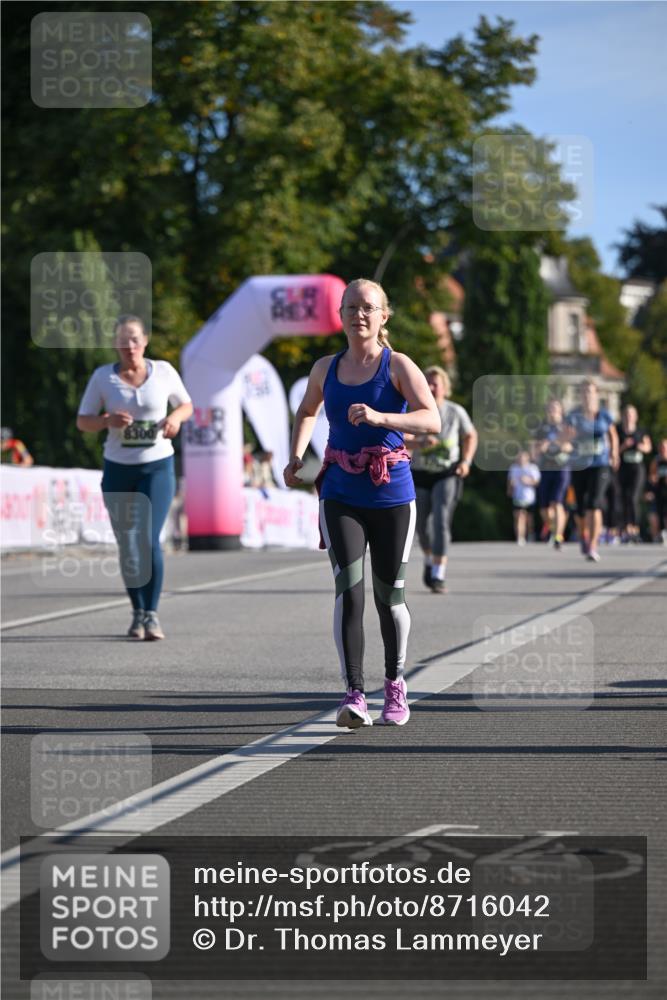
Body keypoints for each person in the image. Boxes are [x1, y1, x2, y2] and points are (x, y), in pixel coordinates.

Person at [283, 278, 440, 729]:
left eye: (368, 307)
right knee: (348, 592)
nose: (360, 315)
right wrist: (297, 455)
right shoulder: (325, 368)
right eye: (351, 307)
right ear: (341, 315)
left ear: (384, 315)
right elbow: (308, 410)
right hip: (341, 492)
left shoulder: (398, 365)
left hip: (392, 493)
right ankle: (354, 694)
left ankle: (395, 683)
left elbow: (433, 419)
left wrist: (381, 417)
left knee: (389, 596)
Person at [77, 315, 193, 639]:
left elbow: (187, 405)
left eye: (134, 340)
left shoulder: (164, 372)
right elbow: (82, 421)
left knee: (147, 538)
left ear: (145, 342)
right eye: (123, 341)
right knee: (127, 545)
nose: (129, 346)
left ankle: (152, 614)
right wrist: (106, 421)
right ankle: (137, 611)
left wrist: (174, 419)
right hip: (118, 469)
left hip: (156, 466)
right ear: (116, 345)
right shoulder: (103, 378)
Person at [407, 366, 477, 593]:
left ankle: (438, 573)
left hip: (447, 473)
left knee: (441, 519)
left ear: (445, 388)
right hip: (419, 473)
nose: (431, 387)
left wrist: (466, 461)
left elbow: (470, 435)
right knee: (422, 527)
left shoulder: (455, 412)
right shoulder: (415, 411)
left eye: (436, 383)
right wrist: (419, 444)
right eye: (427, 383)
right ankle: (429, 557)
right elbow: (400, 439)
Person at [565, 379, 619, 563]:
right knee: (580, 508)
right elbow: (566, 436)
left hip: (601, 464)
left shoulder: (604, 415)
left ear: (596, 394)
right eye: (584, 392)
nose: (587, 395)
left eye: (590, 392)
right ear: (580, 395)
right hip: (579, 464)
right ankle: (584, 535)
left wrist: (615, 453)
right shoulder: (573, 416)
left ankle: (593, 545)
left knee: (594, 503)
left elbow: (612, 434)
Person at [533, 399, 572, 550]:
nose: (552, 411)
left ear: (561, 410)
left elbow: (571, 447)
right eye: (550, 408)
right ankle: (553, 528)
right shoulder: (541, 428)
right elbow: (534, 451)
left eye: (555, 408)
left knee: (557, 502)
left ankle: (558, 536)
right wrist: (540, 449)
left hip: (562, 468)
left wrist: (558, 444)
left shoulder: (566, 427)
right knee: (544, 508)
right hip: (545, 468)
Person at [616, 404, 652, 542]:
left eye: (631, 414)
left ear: (635, 417)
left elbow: (648, 448)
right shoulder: (618, 430)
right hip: (623, 468)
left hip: (637, 468)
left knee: (633, 497)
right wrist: (624, 445)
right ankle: (626, 529)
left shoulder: (641, 431)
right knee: (624, 498)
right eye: (626, 414)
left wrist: (638, 446)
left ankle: (635, 528)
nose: (628, 417)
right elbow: (613, 450)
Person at [507, 450, 541, 545]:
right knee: (519, 517)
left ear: (527, 458)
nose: (521, 459)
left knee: (529, 518)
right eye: (519, 457)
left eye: (523, 457)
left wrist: (528, 481)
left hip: (529, 497)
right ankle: (520, 537)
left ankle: (530, 534)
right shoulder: (514, 468)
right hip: (517, 497)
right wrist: (510, 489)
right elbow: (510, 481)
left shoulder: (532, 468)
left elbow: (537, 482)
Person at [647, 438, 667, 544]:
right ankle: (661, 533)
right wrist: (654, 478)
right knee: (659, 512)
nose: (663, 449)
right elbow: (651, 476)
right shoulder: (656, 460)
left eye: (665, 447)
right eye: (662, 447)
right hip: (659, 490)